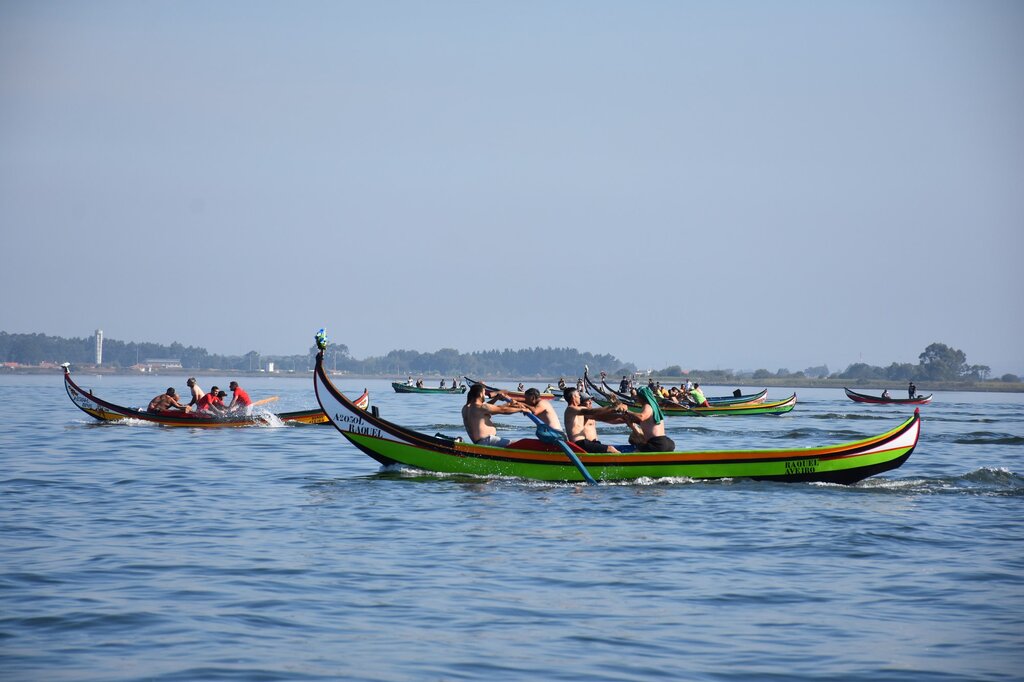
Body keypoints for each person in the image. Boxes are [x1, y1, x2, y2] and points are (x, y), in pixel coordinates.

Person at [461, 384, 530, 447]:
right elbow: (502, 410)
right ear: (480, 394)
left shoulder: (466, 408)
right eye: (484, 392)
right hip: (488, 441)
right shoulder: (481, 407)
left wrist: (496, 399)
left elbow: (488, 407)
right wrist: (521, 409)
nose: (485, 395)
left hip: (479, 443)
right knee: (518, 444)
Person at [563, 388, 627, 453]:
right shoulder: (570, 409)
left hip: (583, 442)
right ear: (574, 396)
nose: (579, 397)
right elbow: (591, 411)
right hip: (579, 443)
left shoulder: (577, 409)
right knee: (610, 449)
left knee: (608, 448)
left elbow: (599, 414)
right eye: (578, 395)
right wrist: (612, 407)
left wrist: (615, 410)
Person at [619, 386, 676, 452]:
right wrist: (625, 416)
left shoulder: (648, 406)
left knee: (636, 450)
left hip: (657, 443)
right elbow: (641, 421)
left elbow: (641, 417)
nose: (637, 398)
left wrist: (627, 411)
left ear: (642, 397)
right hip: (666, 443)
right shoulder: (654, 407)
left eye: (638, 396)